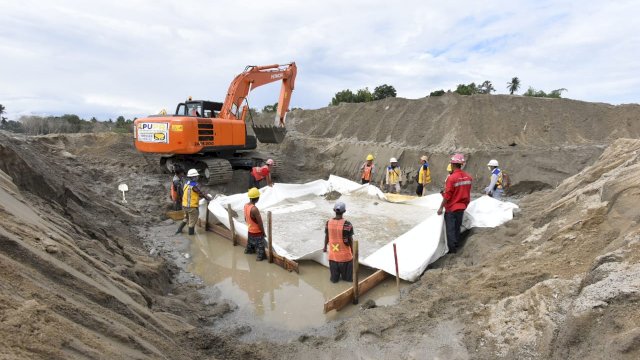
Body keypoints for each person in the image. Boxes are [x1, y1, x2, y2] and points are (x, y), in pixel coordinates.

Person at [437, 154, 473, 254]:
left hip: (452, 208)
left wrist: (440, 207)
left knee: (450, 230)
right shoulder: (468, 177)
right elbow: (465, 192)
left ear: (452, 164)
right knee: (457, 227)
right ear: (461, 164)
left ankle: (452, 250)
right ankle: (456, 245)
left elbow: (448, 196)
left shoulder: (451, 178)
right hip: (462, 206)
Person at [323, 201, 354, 283]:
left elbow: (327, 236)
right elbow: (350, 240)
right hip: (346, 259)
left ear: (334, 210)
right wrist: (353, 252)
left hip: (333, 257)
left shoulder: (328, 223)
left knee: (334, 280)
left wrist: (325, 247)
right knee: (348, 280)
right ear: (344, 211)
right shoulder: (347, 224)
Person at [175, 168, 212, 235]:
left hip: (184, 205)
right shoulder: (194, 185)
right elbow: (201, 193)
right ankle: (191, 235)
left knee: (186, 218)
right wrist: (209, 199)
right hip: (191, 207)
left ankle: (179, 230)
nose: (197, 177)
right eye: (196, 176)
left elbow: (193, 193)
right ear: (193, 177)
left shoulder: (187, 183)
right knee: (192, 221)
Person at [244, 187, 267, 261]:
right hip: (257, 234)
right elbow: (260, 224)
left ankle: (249, 251)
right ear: (257, 198)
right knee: (261, 254)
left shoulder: (246, 206)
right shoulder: (254, 209)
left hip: (250, 232)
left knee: (249, 249)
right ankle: (260, 259)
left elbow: (245, 218)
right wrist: (263, 233)